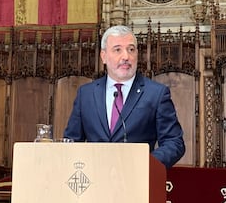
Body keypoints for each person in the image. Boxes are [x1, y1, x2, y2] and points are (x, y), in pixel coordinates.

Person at [64, 25, 185, 168]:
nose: (126, 57)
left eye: (131, 49)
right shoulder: (86, 94)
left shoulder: (156, 94)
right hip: (94, 179)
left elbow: (174, 142)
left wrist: (145, 164)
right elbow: (71, 141)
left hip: (137, 180)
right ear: (104, 56)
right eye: (117, 50)